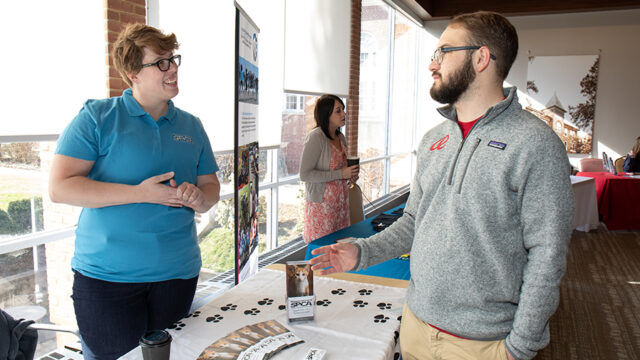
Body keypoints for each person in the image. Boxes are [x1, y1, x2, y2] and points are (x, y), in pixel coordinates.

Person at [310, 11, 574, 360]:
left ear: (481, 58)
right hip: (416, 328)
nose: (432, 64)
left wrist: (518, 347)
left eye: (443, 52)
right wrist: (363, 252)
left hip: (484, 345)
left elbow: (547, 255)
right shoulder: (435, 139)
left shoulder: (536, 144)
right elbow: (413, 222)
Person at [49, 23, 221, 358]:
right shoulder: (97, 118)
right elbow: (60, 188)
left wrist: (201, 200)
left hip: (177, 274)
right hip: (108, 281)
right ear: (132, 74)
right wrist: (140, 193)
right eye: (160, 62)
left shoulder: (192, 126)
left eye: (172, 59)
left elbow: (210, 186)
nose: (171, 69)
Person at [299, 95, 359, 243]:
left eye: (343, 110)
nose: (344, 114)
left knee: (340, 251)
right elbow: (305, 174)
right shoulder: (315, 137)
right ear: (326, 114)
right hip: (322, 209)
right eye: (338, 111)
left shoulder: (340, 137)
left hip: (341, 205)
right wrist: (341, 173)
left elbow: (341, 170)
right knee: (322, 253)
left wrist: (349, 175)